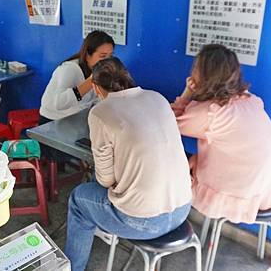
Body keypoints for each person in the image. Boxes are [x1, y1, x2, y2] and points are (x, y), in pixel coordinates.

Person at [65, 57, 192, 271]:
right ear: (128, 77)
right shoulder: (157, 98)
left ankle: (72, 268)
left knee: (79, 200)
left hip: (144, 223)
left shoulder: (100, 113)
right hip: (183, 209)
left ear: (96, 88)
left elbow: (105, 180)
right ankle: (102, 228)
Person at [171, 44, 271, 223]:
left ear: (204, 74)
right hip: (262, 191)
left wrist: (187, 93)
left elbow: (169, 124)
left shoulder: (211, 113)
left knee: (171, 159)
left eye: (196, 67)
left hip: (233, 193)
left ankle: (165, 219)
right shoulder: (250, 99)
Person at [39, 30, 115, 123]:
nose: (108, 61)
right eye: (102, 56)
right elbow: (59, 104)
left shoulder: (100, 69)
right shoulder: (69, 69)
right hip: (53, 120)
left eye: (110, 56)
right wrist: (91, 81)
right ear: (88, 55)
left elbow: (97, 99)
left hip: (76, 117)